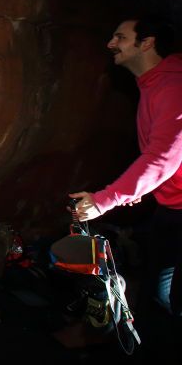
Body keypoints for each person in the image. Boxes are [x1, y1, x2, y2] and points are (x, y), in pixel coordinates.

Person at [71, 17, 182, 318]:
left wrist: (104, 200)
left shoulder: (172, 86)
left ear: (146, 43)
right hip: (170, 209)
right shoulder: (152, 83)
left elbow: (163, 157)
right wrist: (144, 188)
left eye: (120, 37)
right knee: (158, 296)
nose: (111, 44)